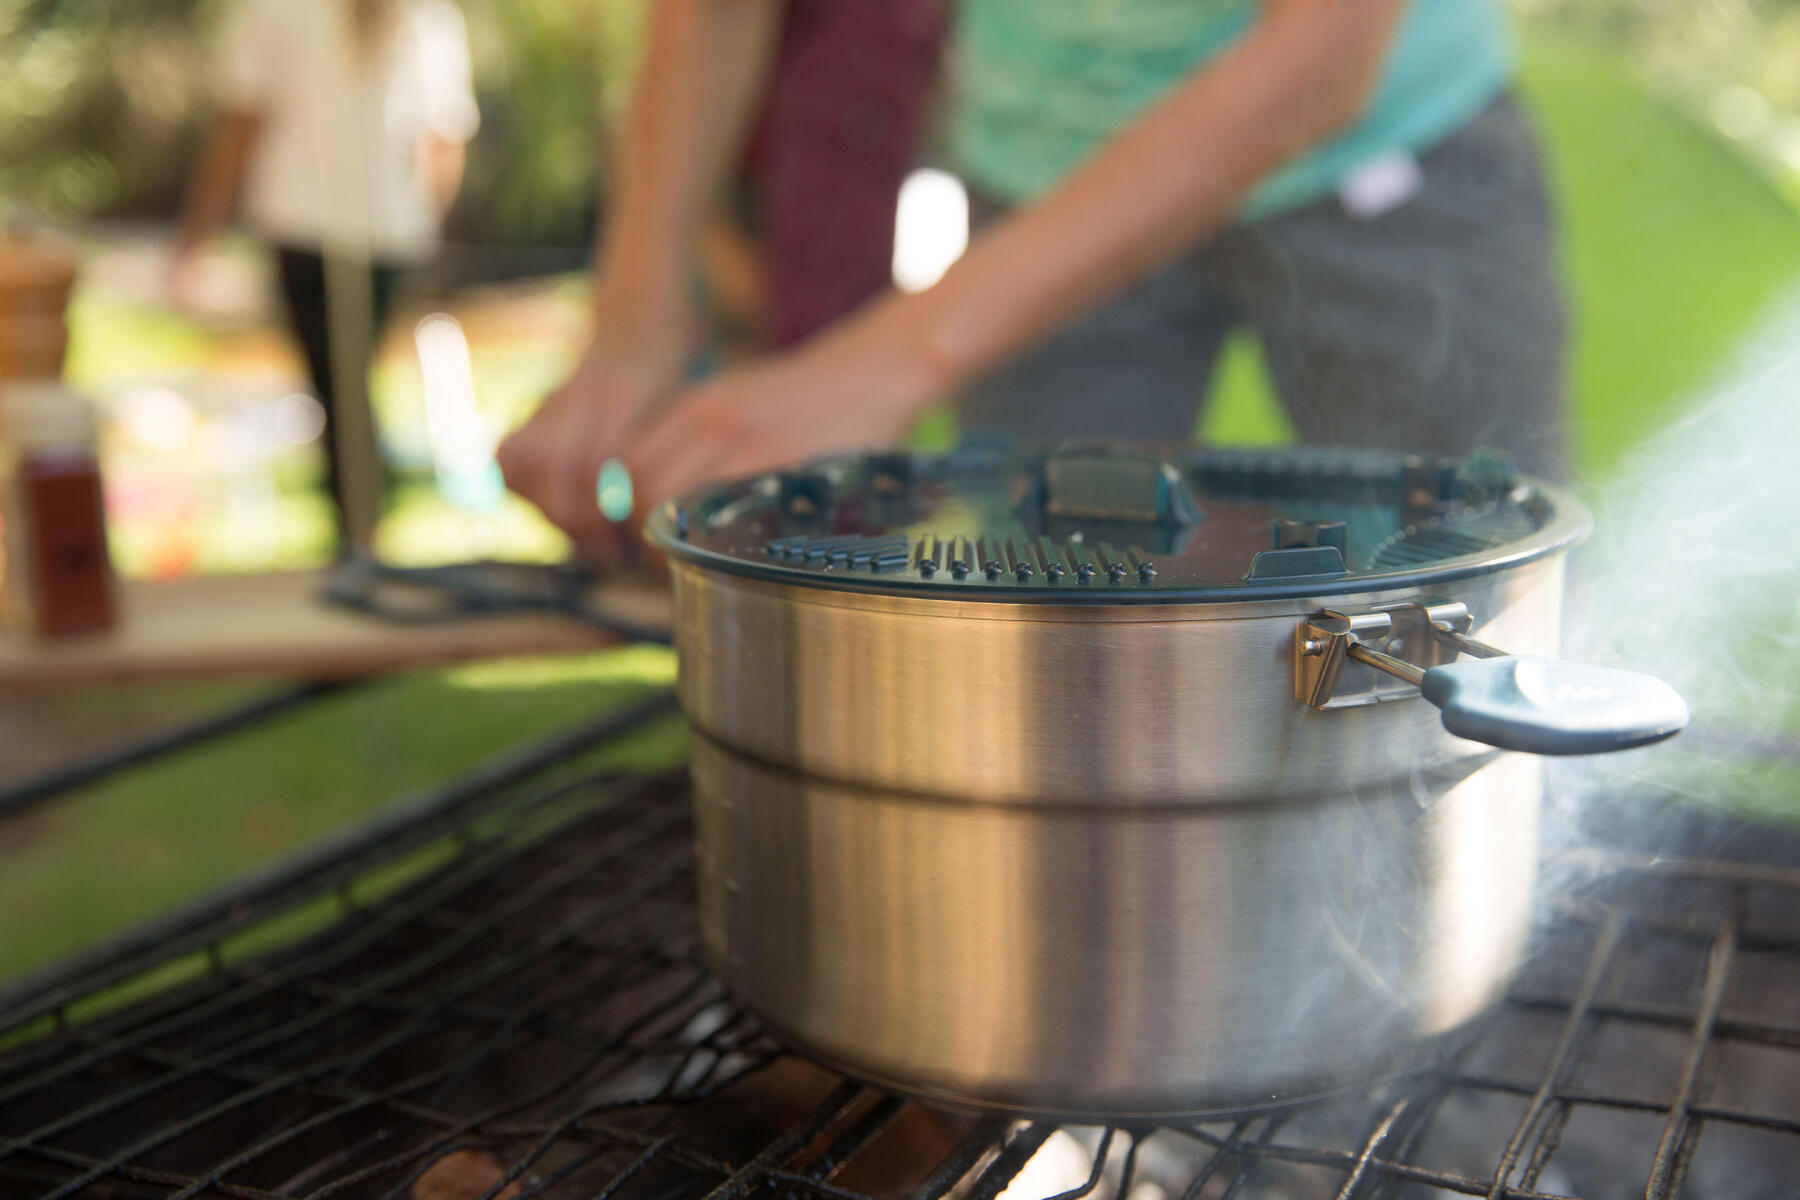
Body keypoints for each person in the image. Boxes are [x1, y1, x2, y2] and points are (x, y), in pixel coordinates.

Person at [499, 0, 1567, 546]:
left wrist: (881, 365)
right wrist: (635, 315)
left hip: (1392, 159)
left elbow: (1319, 59)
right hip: (1038, 180)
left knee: (1462, 609)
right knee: (1055, 641)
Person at [173, 0, 480, 551]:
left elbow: (242, 123)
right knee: (342, 385)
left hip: (346, 229)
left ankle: (360, 528)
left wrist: (199, 229)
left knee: (343, 387)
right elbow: (444, 143)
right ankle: (359, 525)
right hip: (345, 229)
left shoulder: (421, 18)